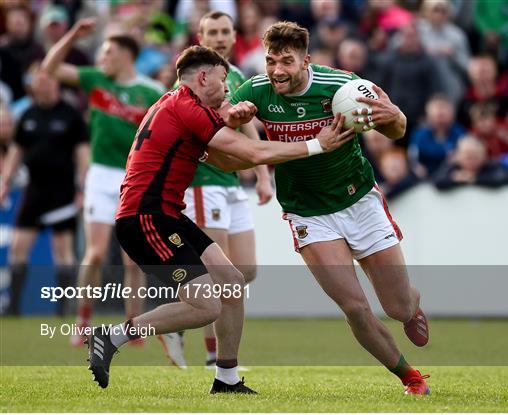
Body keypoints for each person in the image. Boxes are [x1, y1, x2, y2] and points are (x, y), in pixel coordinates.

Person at [85, 44, 354, 393]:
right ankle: (112, 336)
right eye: (224, 79)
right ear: (203, 76)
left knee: (232, 280)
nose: (228, 88)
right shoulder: (186, 107)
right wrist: (315, 145)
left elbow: (231, 162)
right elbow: (253, 152)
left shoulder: (179, 105)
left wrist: (239, 127)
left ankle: (226, 377)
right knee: (207, 305)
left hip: (166, 215)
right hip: (146, 219)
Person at [229, 21, 431, 395]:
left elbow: (397, 129)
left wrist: (395, 117)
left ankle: (411, 306)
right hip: (307, 212)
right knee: (354, 307)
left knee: (398, 305)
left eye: (286, 62)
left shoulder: (342, 85)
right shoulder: (256, 89)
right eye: (271, 61)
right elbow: (223, 125)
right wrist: (236, 117)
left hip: (359, 201)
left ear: (306, 60)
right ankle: (410, 377)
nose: (277, 71)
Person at [157, 11, 274, 370]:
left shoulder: (234, 75)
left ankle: (178, 320)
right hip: (205, 180)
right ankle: (213, 357)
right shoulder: (193, 84)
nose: (221, 37)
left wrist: (263, 174)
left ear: (234, 34)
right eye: (213, 32)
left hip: (232, 183)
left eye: (226, 31)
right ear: (200, 35)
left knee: (246, 270)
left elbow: (245, 124)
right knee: (221, 278)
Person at [41, 18, 165, 346]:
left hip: (135, 177)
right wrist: (71, 36)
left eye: (108, 52)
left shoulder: (151, 91)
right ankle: (82, 321)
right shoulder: (95, 81)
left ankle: (132, 325)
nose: (102, 58)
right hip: (100, 174)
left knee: (132, 258)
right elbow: (49, 68)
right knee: (94, 253)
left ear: (126, 54)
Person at [0, 68, 89, 316]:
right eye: (39, 82)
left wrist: (82, 187)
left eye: (48, 81)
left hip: (62, 192)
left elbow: (82, 156)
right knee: (18, 247)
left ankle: (63, 308)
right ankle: (14, 308)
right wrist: (5, 184)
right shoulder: (28, 114)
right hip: (34, 190)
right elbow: (16, 153)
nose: (44, 86)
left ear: (56, 84)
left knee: (63, 251)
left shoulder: (70, 115)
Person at [433, 135, 508, 189]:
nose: (471, 160)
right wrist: (455, 180)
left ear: (484, 156)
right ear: (458, 156)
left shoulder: (492, 167)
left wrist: (473, 179)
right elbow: (437, 181)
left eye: (475, 156)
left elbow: (501, 179)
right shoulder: (452, 167)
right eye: (467, 156)